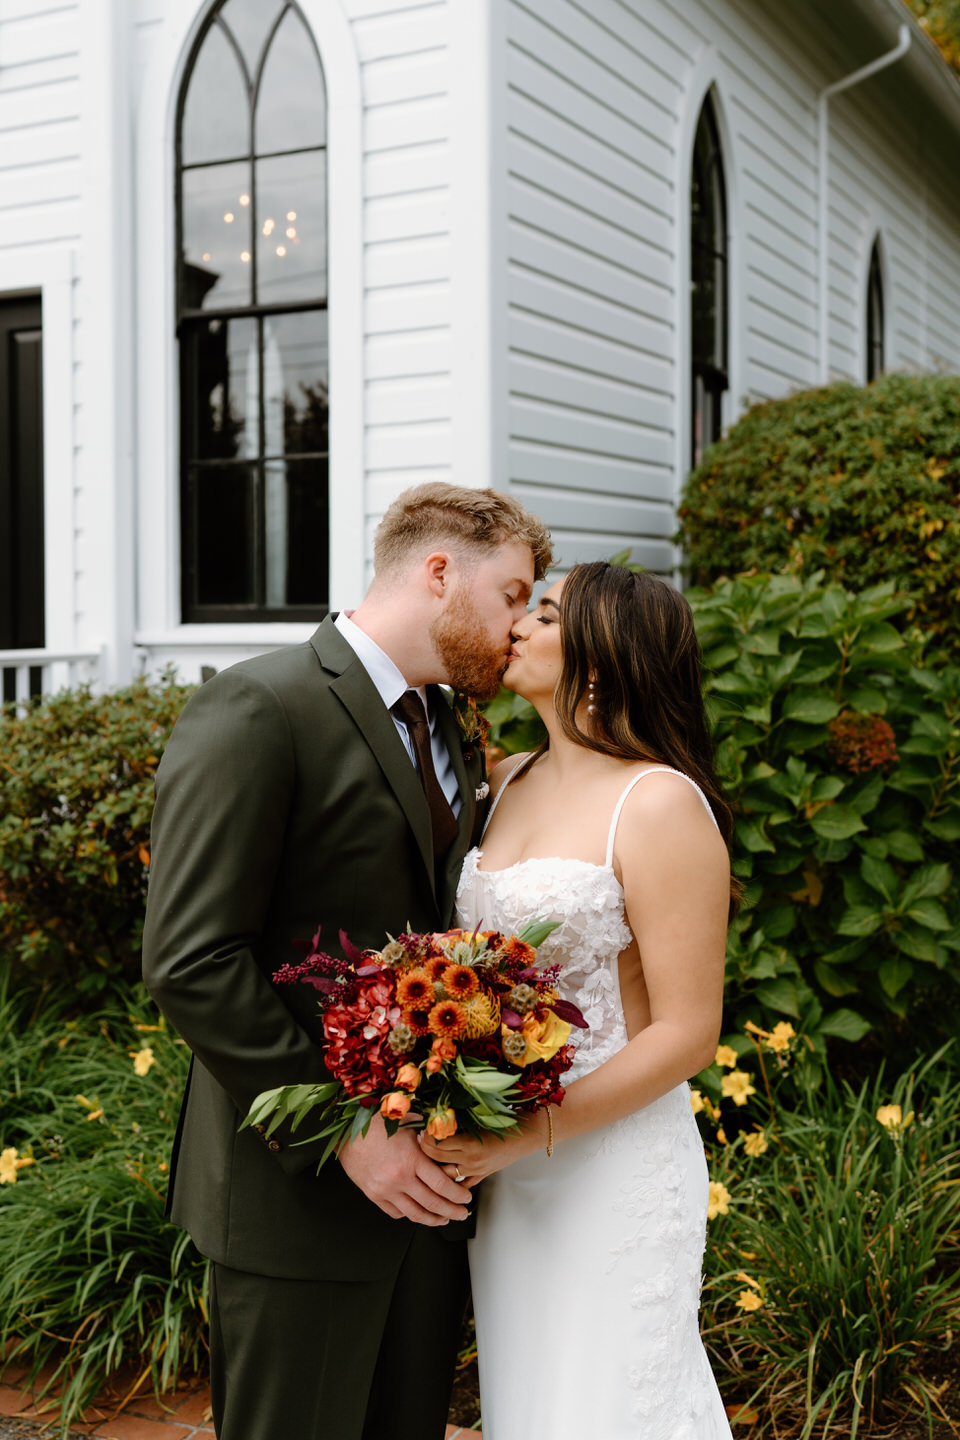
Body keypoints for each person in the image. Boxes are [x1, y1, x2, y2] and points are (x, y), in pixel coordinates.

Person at [141, 482, 553, 1440]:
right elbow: (191, 956)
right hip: (296, 1191)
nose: (517, 628)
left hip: (429, 1203)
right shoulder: (260, 704)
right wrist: (346, 1132)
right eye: (511, 595)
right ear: (439, 571)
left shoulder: (451, 724)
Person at [434, 560, 737, 1440]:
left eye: (547, 613)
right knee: (534, 1408)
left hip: (610, 1169)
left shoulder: (658, 804)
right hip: (512, 1178)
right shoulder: (505, 780)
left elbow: (687, 1031)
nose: (518, 625)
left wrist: (535, 1130)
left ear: (601, 662)